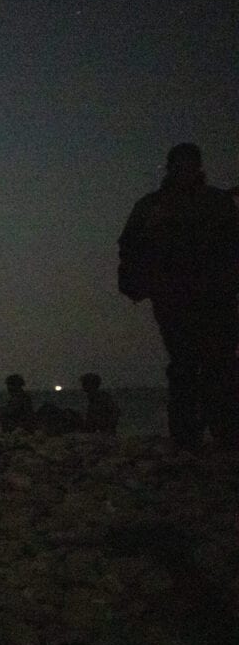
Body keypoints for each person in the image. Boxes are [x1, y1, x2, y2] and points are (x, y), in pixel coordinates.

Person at [118, 143, 239, 450]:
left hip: (216, 295)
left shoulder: (216, 203)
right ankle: (188, 436)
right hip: (175, 296)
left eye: (190, 165)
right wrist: (137, 283)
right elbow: (130, 247)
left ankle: (223, 431)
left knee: (220, 363)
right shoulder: (153, 206)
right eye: (180, 166)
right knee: (186, 363)